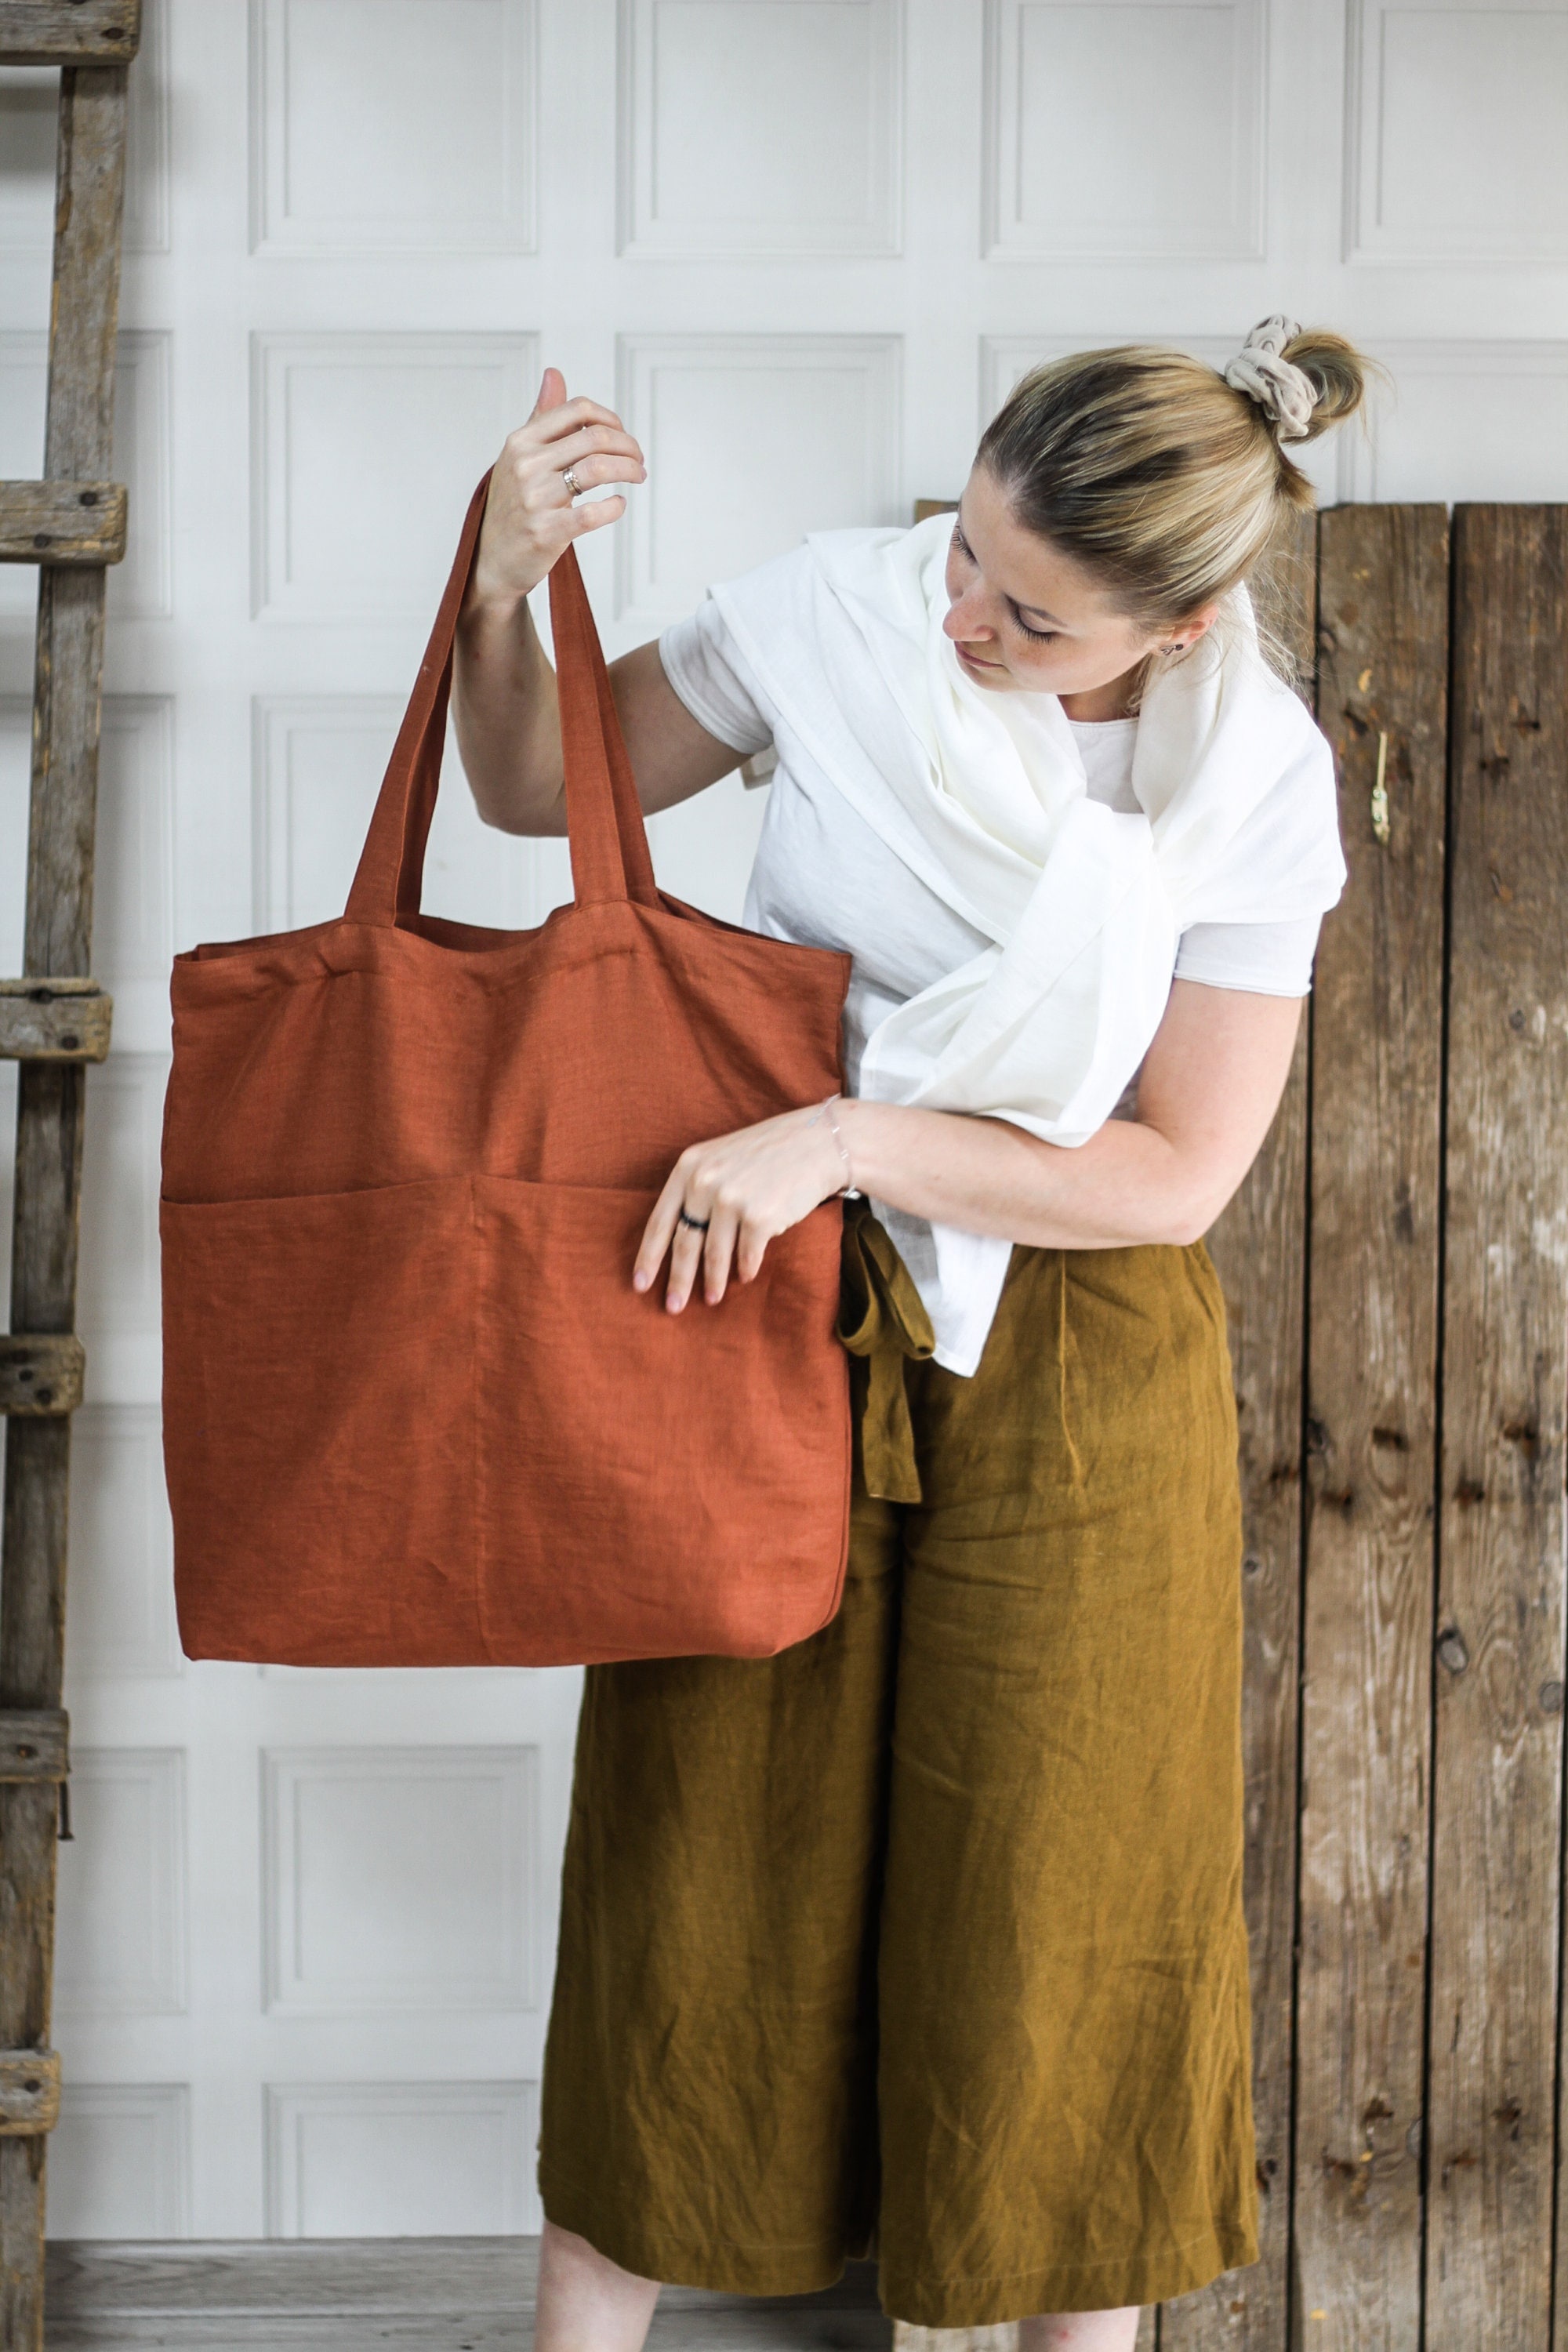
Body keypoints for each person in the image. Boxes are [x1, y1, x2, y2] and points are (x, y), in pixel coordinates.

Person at [452, 318, 1365, 2352]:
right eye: (960, 549)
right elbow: (532, 787)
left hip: (1082, 1355)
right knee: (695, 1878)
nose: (957, 616)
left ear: (1188, 624)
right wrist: (498, 576)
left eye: (1029, 616)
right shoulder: (826, 623)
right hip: (764, 1316)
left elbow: (1175, 1173)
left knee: (1065, 1914)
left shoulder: (1261, 790)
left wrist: (850, 1134)